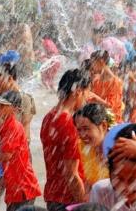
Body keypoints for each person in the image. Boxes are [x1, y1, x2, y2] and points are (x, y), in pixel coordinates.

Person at [0, 91, 41, 211]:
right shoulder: (6, 126)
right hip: (16, 187)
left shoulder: (14, 127)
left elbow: (7, 155)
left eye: (3, 105)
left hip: (23, 188)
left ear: (15, 109)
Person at [41, 69, 88, 211]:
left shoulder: (48, 117)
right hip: (68, 200)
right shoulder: (68, 124)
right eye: (85, 93)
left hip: (52, 195)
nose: (86, 99)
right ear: (78, 91)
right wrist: (85, 205)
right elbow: (71, 175)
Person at [73, 103, 112, 193]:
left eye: (86, 129)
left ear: (103, 126)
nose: (82, 135)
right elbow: (89, 182)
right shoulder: (83, 146)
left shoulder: (118, 148)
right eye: (79, 130)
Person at [89, 50, 123, 121]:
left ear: (101, 61)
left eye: (92, 62)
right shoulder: (96, 80)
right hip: (97, 119)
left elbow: (112, 107)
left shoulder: (116, 82)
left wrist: (96, 97)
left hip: (112, 122)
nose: (91, 66)